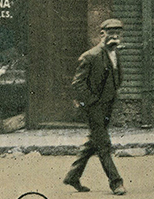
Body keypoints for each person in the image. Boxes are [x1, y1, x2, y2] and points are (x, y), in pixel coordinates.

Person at [63, 18, 126, 195]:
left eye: (118, 33)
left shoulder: (115, 54)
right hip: (94, 108)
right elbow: (77, 84)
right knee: (104, 145)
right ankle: (116, 182)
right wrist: (91, 102)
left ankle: (72, 177)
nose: (115, 36)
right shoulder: (90, 56)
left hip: (108, 106)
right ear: (102, 34)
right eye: (111, 32)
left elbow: (118, 77)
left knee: (93, 142)